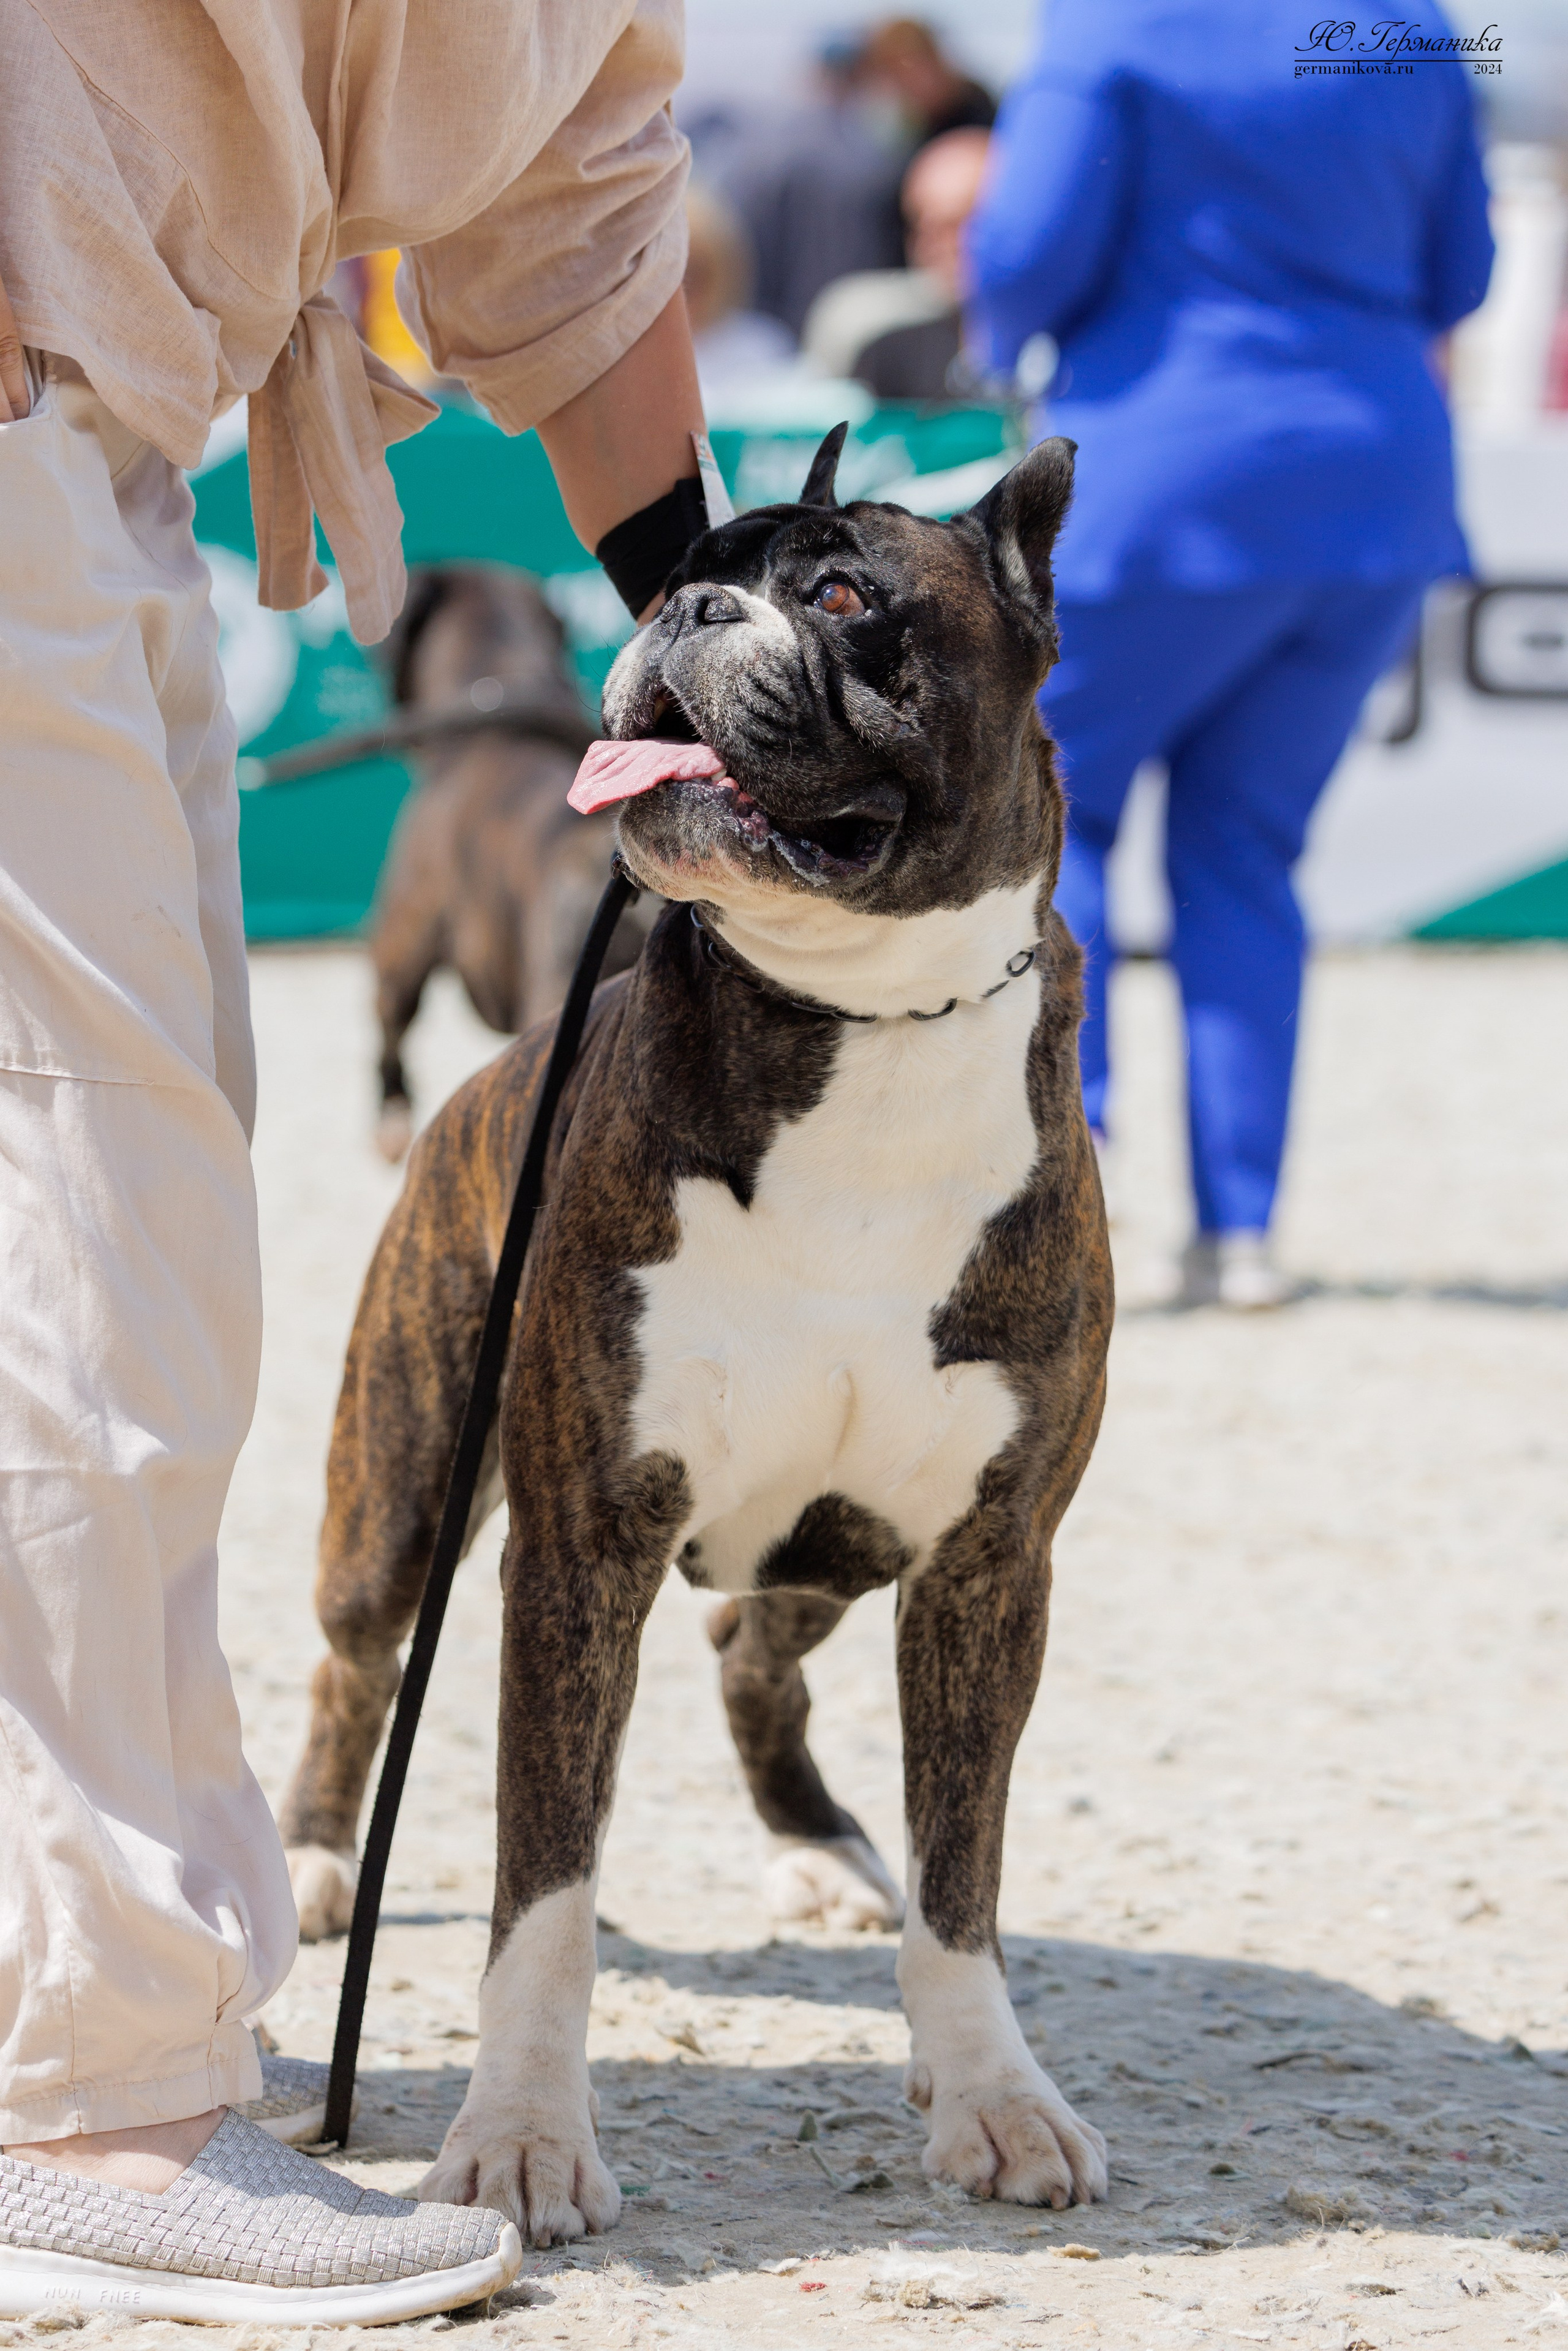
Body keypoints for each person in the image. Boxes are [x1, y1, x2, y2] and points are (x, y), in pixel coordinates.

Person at [0, 0, 708, 2315]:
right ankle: (88, 2101)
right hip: (33, 384)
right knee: (91, 1224)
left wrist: (701, 617)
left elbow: (577, 205)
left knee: (124, 1183)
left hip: (106, 414)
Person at [966, 0, 1494, 1307]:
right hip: (1376, 484)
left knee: (1054, 817)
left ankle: (1065, 1197)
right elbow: (1463, 270)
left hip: (1164, 475)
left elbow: (1024, 247)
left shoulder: (1118, 20)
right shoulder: (1411, 25)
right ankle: (1239, 1231)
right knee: (1247, 853)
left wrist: (997, 348)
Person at [853, 127, 992, 402]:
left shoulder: (1061, 351)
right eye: (920, 227)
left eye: (957, 224)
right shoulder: (889, 359)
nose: (933, 245)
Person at [856, 18, 996, 148]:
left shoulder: (975, 106)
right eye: (895, 73)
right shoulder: (906, 124)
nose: (908, 80)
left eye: (910, 65)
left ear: (933, 57)